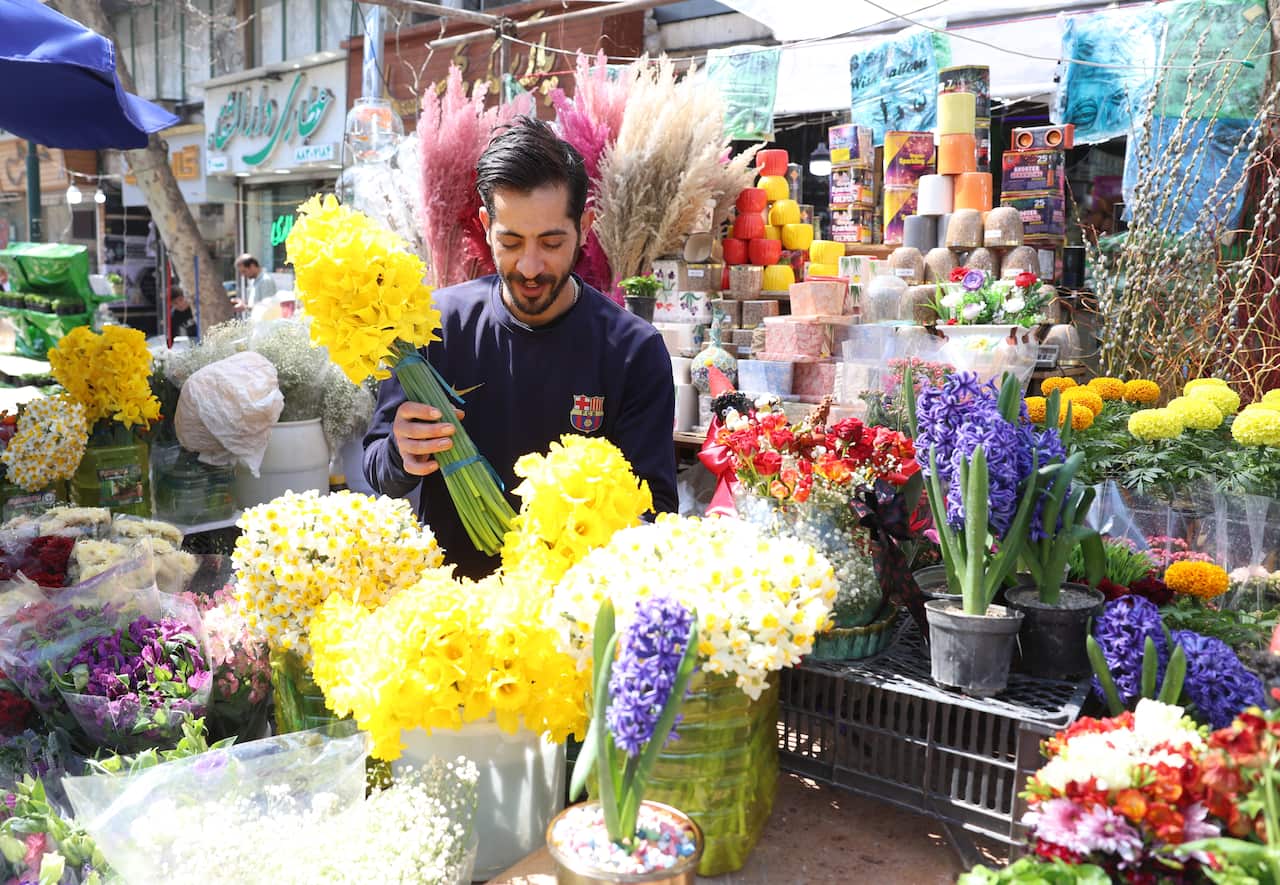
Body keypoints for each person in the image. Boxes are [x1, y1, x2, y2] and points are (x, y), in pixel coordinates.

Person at [363, 116, 677, 579]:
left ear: (585, 226)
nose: (530, 266)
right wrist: (401, 452)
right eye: (510, 242)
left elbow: (656, 510)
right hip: (447, 611)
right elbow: (378, 469)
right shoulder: (433, 327)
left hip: (572, 615)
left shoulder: (633, 350)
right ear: (487, 226)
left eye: (552, 242)